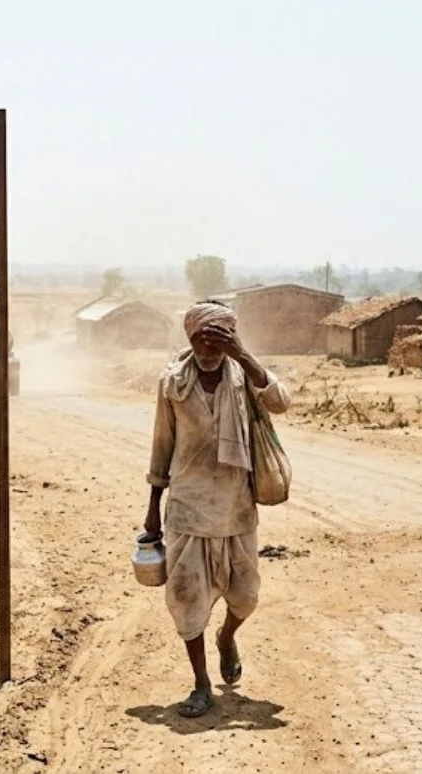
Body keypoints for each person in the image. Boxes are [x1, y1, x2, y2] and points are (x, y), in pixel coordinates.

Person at [143, 300, 291, 718]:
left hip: (236, 508)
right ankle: (201, 684)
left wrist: (242, 354)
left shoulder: (243, 375)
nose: (209, 349)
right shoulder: (173, 382)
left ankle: (226, 638)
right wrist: (153, 507)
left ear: (230, 339)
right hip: (187, 508)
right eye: (201, 340)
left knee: (244, 596)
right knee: (187, 598)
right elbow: (162, 445)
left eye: (218, 340)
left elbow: (281, 401)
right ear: (190, 338)